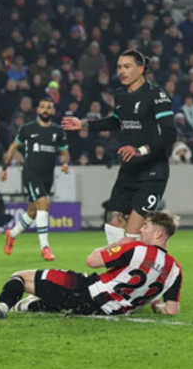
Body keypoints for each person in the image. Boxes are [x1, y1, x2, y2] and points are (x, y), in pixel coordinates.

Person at [0, 210, 182, 318]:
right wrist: (156, 305)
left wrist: (117, 243)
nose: (141, 230)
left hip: (86, 292)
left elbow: (92, 261)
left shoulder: (136, 248)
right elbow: (171, 310)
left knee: (21, 276)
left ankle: (1, 307)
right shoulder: (175, 270)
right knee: (45, 299)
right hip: (107, 312)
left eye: (146, 226)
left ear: (158, 234)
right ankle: (26, 305)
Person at [62, 49, 177, 244]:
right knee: (112, 224)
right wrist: (84, 124)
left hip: (152, 172)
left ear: (140, 69)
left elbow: (169, 133)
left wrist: (140, 150)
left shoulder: (155, 94)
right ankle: (119, 271)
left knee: (132, 234)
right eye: (119, 67)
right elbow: (116, 121)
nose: (121, 71)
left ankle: (142, 269)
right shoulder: (121, 94)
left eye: (127, 66)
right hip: (129, 169)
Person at [0, 98, 70, 261]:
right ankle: (45, 247)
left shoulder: (58, 131)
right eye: (43, 107)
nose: (46, 110)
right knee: (44, 203)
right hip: (31, 174)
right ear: (38, 110)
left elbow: (64, 151)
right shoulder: (27, 129)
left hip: (47, 176)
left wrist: (65, 163)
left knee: (32, 211)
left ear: (52, 112)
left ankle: (12, 234)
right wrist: (5, 167)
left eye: (49, 108)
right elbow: (13, 147)